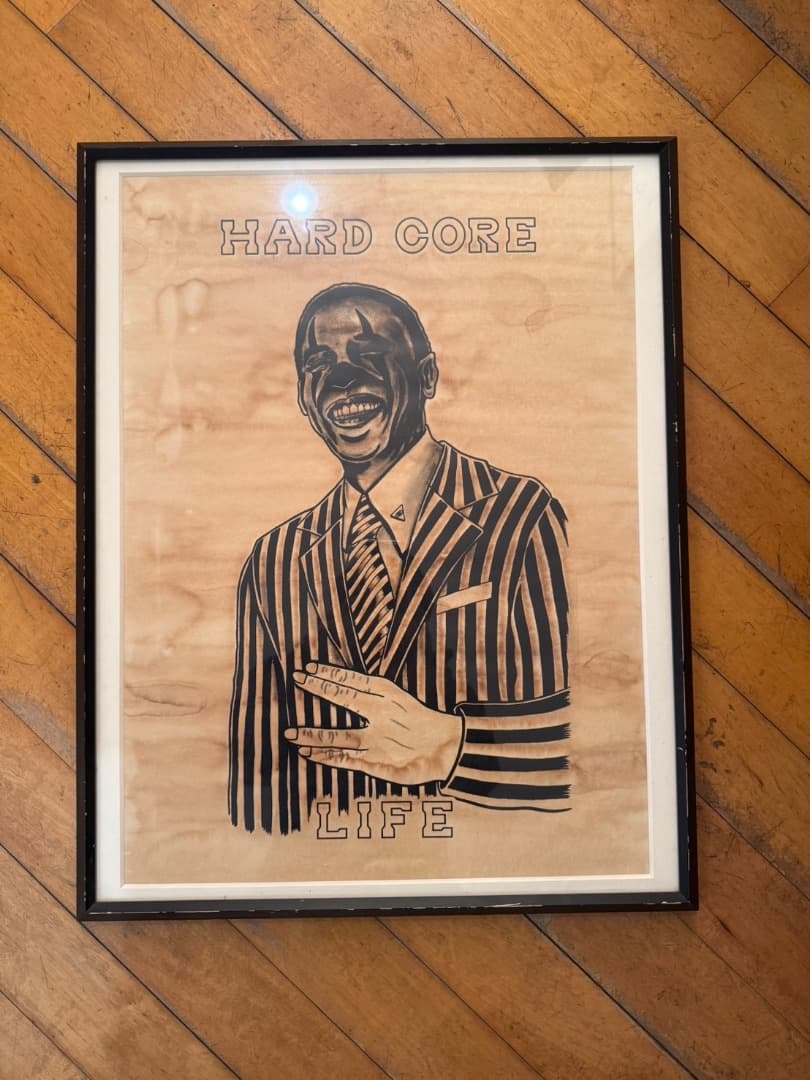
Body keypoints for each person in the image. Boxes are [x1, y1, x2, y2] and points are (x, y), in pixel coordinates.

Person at [229, 282, 570, 835]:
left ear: (427, 375)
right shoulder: (275, 559)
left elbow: (599, 741)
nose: (341, 379)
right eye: (319, 365)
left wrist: (455, 746)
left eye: (369, 353)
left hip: (487, 855)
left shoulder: (522, 514)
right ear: (304, 398)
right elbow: (256, 781)